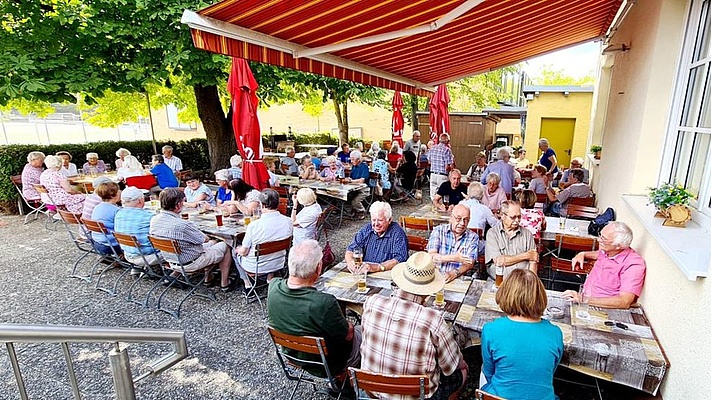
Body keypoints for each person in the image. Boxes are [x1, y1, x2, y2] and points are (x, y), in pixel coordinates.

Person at [361, 252, 468, 400]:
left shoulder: (371, 302)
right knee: (460, 372)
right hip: (416, 395)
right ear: (429, 290)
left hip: (371, 389)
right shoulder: (433, 320)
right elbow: (450, 367)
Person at [268, 239, 361, 378]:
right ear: (318, 268)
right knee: (368, 330)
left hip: (293, 356)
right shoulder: (323, 303)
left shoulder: (273, 286)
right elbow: (348, 335)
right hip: (329, 365)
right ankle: (358, 383)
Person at [481, 269, 563, 400]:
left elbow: (489, 372)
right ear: (540, 296)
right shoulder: (555, 333)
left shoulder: (491, 329)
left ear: (506, 293)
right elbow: (549, 370)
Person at [149, 188, 233, 291]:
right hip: (191, 262)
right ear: (178, 205)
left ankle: (208, 278)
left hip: (171, 260)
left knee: (213, 242)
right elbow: (204, 239)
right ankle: (224, 283)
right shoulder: (182, 225)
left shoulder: (154, 220)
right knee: (225, 245)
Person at [562, 222, 646, 309]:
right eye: (600, 235)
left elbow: (624, 301)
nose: (598, 240)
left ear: (618, 246)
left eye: (603, 238)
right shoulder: (608, 251)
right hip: (585, 301)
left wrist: (583, 299)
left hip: (604, 309)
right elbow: (597, 254)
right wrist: (583, 254)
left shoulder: (633, 264)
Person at [233, 189, 293, 292]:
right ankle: (270, 278)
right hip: (279, 262)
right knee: (272, 246)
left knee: (234, 250)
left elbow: (244, 252)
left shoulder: (254, 225)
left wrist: (238, 249)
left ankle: (247, 285)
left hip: (255, 266)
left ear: (262, 205)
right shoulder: (288, 221)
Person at [345, 202, 408, 273]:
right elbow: (350, 250)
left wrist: (378, 267)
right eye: (374, 220)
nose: (376, 224)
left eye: (380, 220)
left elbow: (400, 259)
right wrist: (350, 262)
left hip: (385, 274)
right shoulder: (367, 229)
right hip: (364, 272)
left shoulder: (397, 233)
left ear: (389, 220)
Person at [485, 200, 538, 279]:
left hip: (523, 282)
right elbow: (499, 261)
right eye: (513, 217)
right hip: (500, 281)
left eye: (519, 216)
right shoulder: (492, 233)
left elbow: (533, 261)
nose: (517, 220)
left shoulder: (527, 234)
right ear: (502, 216)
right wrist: (526, 255)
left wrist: (531, 283)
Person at [427, 204, 478, 282]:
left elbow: (469, 263)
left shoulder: (473, 237)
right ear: (451, 218)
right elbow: (431, 256)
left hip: (458, 278)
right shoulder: (438, 231)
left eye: (466, 220)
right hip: (435, 276)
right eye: (458, 219)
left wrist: (454, 273)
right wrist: (455, 258)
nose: (462, 223)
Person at [114, 186, 161, 267]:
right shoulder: (149, 216)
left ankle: (138, 268)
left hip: (128, 253)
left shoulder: (118, 213)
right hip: (148, 256)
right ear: (140, 200)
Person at [460, 182, 498, 255]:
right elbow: (496, 225)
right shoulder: (484, 209)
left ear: (468, 193)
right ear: (482, 195)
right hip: (477, 246)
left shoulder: (461, 204)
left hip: (459, 243)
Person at [90, 181, 123, 256]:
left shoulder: (97, 207)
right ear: (113, 195)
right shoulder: (116, 211)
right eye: (119, 191)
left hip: (96, 241)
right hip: (111, 245)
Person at [428, 134, 454, 201]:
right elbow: (447, 167)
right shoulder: (447, 150)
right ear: (447, 141)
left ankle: (434, 209)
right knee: (444, 196)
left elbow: (429, 162)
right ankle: (444, 209)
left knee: (433, 196)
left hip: (433, 174)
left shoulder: (432, 148)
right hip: (443, 176)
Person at [346, 150, 370, 220]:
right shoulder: (354, 166)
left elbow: (362, 180)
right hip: (354, 188)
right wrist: (348, 179)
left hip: (364, 189)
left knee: (355, 202)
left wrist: (351, 181)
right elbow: (351, 177)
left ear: (358, 160)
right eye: (351, 159)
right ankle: (351, 211)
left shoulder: (364, 166)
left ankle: (361, 211)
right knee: (343, 198)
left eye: (353, 159)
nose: (351, 161)